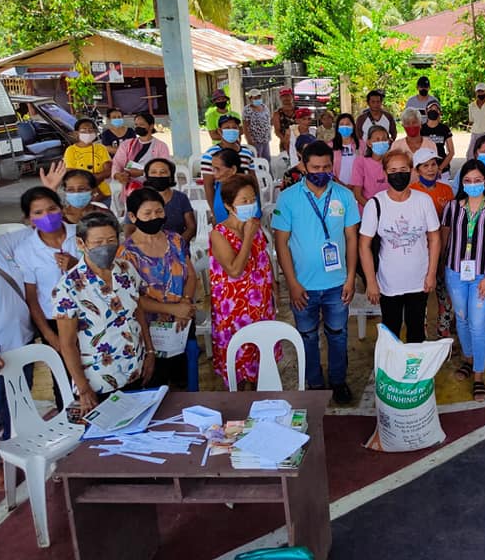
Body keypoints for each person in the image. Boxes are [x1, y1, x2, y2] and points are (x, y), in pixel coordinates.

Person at [274, 141, 359, 404]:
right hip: (303, 286)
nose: (321, 172)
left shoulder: (344, 196)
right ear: (303, 164)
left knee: (338, 334)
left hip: (337, 284)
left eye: (326, 167)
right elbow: (281, 243)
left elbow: (352, 239)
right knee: (307, 336)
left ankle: (338, 380)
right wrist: (292, 283)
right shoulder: (288, 198)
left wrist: (350, 278)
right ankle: (314, 382)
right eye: (315, 167)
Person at [53, 212, 155, 413]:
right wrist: (83, 389)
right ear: (81, 244)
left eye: (110, 240)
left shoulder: (126, 268)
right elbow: (67, 344)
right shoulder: (68, 288)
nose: (105, 247)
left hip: (136, 368)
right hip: (99, 381)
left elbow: (138, 312)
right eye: (98, 242)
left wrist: (150, 352)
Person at [440, 161, 485, 402]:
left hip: (481, 275)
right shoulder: (451, 208)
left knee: (477, 324)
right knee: (462, 318)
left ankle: (478, 375)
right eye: (467, 181)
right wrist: (442, 271)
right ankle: (468, 359)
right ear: (461, 183)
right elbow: (445, 241)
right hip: (455, 274)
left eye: (477, 180)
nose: (472, 185)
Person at [359, 149, 441, 343]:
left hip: (418, 281)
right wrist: (371, 282)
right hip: (388, 282)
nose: (398, 174)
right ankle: (390, 371)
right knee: (390, 331)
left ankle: (415, 372)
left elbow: (435, 238)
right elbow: (364, 245)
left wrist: (431, 274)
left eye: (403, 169)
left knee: (416, 330)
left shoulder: (423, 201)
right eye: (393, 170)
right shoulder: (375, 204)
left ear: (412, 171)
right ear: (385, 174)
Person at [119, 189, 198, 389]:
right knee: (156, 386)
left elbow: (190, 275)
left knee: (185, 383)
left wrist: (185, 303)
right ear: (133, 216)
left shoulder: (175, 240)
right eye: (148, 213)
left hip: (182, 324)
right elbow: (133, 299)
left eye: (159, 211)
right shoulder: (126, 254)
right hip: (150, 333)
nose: (155, 217)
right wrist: (173, 310)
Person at [208, 174, 277, 389]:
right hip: (235, 312)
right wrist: (247, 237)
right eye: (243, 201)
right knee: (239, 370)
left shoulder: (254, 227)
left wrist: (273, 289)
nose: (250, 205)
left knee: (261, 366)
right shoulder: (219, 234)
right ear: (229, 205)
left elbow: (263, 260)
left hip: (260, 306)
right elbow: (235, 270)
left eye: (252, 199)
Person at [0, 218, 34, 490]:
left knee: (16, 406)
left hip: (22, 343)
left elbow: (39, 231)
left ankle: (12, 452)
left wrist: (49, 191)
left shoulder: (1, 244)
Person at [14, 188, 80, 362]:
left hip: (92, 314)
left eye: (52, 209)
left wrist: (77, 266)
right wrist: (50, 336)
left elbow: (104, 272)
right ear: (30, 220)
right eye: (38, 212)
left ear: (62, 208)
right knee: (67, 381)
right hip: (55, 321)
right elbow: (32, 299)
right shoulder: (25, 251)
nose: (47, 215)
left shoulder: (82, 234)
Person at [411, 147, 454, 337]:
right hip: (420, 252)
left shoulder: (447, 190)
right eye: (425, 166)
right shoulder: (411, 191)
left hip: (444, 250)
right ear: (417, 170)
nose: (431, 169)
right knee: (420, 296)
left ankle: (443, 330)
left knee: (444, 293)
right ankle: (422, 332)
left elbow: (451, 221)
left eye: (434, 164)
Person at [123, 158, 196, 243]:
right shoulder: (137, 197)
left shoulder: (181, 198)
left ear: (170, 176)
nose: (158, 176)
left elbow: (191, 227)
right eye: (153, 172)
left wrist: (177, 246)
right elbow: (129, 229)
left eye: (163, 172)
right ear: (147, 176)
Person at [111, 112, 172, 204]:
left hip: (153, 188)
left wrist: (142, 173)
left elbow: (164, 168)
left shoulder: (161, 146)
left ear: (151, 126)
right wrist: (118, 175)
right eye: (136, 125)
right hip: (130, 188)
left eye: (142, 124)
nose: (138, 127)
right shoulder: (127, 144)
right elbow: (117, 163)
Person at [201, 115, 255, 211]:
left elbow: (253, 179)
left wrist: (257, 201)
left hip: (246, 198)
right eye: (227, 128)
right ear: (220, 131)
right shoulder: (210, 155)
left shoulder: (247, 153)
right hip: (222, 198)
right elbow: (208, 185)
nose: (231, 130)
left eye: (234, 128)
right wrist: (214, 211)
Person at [64, 118, 112, 201]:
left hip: (105, 193)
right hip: (81, 195)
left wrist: (87, 179)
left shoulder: (101, 148)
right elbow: (71, 174)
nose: (88, 133)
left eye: (90, 130)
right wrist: (96, 177)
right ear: (76, 133)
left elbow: (108, 171)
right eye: (84, 130)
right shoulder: (71, 150)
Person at [350, 125, 390, 211]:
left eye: (384, 139)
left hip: (390, 210)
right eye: (377, 139)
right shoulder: (360, 162)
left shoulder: (393, 162)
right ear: (369, 143)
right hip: (368, 210)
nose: (381, 142)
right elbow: (357, 194)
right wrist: (374, 210)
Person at [421, 100, 454, 182]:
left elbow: (451, 152)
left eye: (436, 109)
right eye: (431, 109)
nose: (433, 111)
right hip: (425, 170)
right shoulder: (420, 129)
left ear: (439, 112)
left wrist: (440, 168)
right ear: (426, 111)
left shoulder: (444, 128)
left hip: (442, 170)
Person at [332, 113, 363, 187]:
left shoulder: (362, 144)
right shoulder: (330, 146)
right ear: (337, 127)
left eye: (348, 124)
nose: (345, 126)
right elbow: (328, 168)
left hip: (358, 187)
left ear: (353, 126)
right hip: (337, 186)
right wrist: (340, 184)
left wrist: (355, 185)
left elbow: (366, 166)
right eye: (342, 124)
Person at [242, 88, 273, 162]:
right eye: (255, 98)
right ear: (250, 99)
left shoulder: (265, 107)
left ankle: (267, 173)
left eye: (259, 97)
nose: (257, 99)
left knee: (267, 159)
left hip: (265, 139)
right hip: (255, 140)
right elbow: (245, 126)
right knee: (257, 159)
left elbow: (268, 120)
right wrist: (249, 140)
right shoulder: (247, 110)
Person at [272, 87, 298, 152]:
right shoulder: (277, 114)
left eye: (288, 95)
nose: (286, 98)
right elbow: (277, 131)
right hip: (284, 143)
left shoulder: (298, 111)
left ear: (292, 96)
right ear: (280, 98)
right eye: (283, 96)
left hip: (299, 142)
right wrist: (285, 142)